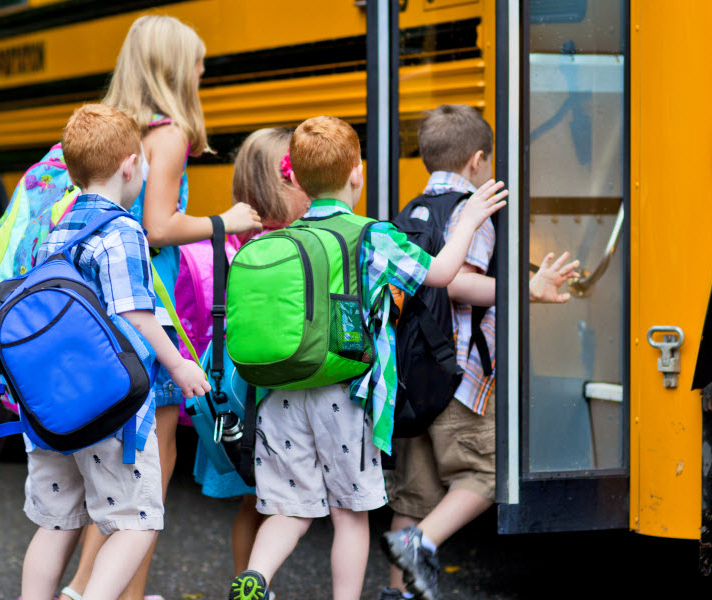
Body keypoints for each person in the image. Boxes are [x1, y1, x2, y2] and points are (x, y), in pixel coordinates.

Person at [226, 115, 509, 600]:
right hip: (345, 396)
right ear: (357, 173)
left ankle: (255, 578)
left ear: (293, 177)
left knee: (288, 511)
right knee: (350, 515)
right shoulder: (371, 236)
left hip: (281, 396)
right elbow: (441, 273)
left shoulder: (279, 239)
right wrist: (468, 220)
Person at [59, 15, 262, 600]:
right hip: (150, 306)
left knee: (117, 473)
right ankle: (108, 592)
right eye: (198, 62)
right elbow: (156, 226)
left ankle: (86, 587)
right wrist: (227, 220)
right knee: (152, 471)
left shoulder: (120, 129)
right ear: (174, 69)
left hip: (103, 312)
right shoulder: (168, 134)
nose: (203, 72)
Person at [378, 105, 581, 600]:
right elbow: (458, 283)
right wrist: (526, 288)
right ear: (477, 159)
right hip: (459, 378)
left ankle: (398, 594)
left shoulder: (408, 213)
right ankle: (420, 542)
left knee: (414, 490)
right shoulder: (476, 208)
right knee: (488, 472)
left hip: (412, 375)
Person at [20, 103, 211, 600]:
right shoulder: (123, 230)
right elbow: (134, 314)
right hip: (111, 405)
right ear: (131, 166)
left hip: (54, 405)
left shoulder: (56, 228)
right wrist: (180, 364)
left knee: (56, 523)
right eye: (143, 163)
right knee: (137, 521)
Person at [189, 127, 309, 580]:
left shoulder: (237, 241)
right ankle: (255, 581)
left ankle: (247, 580)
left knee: (250, 500)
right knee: (280, 497)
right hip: (267, 386)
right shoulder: (286, 247)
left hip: (234, 380)